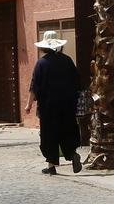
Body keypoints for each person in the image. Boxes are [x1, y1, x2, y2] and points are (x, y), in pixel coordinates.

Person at [23, 31, 83, 175]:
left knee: (49, 134)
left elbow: (34, 86)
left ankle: (51, 166)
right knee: (67, 130)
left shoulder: (42, 63)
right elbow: (77, 82)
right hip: (68, 105)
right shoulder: (67, 60)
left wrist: (29, 104)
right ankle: (72, 154)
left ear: (44, 47)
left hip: (48, 107)